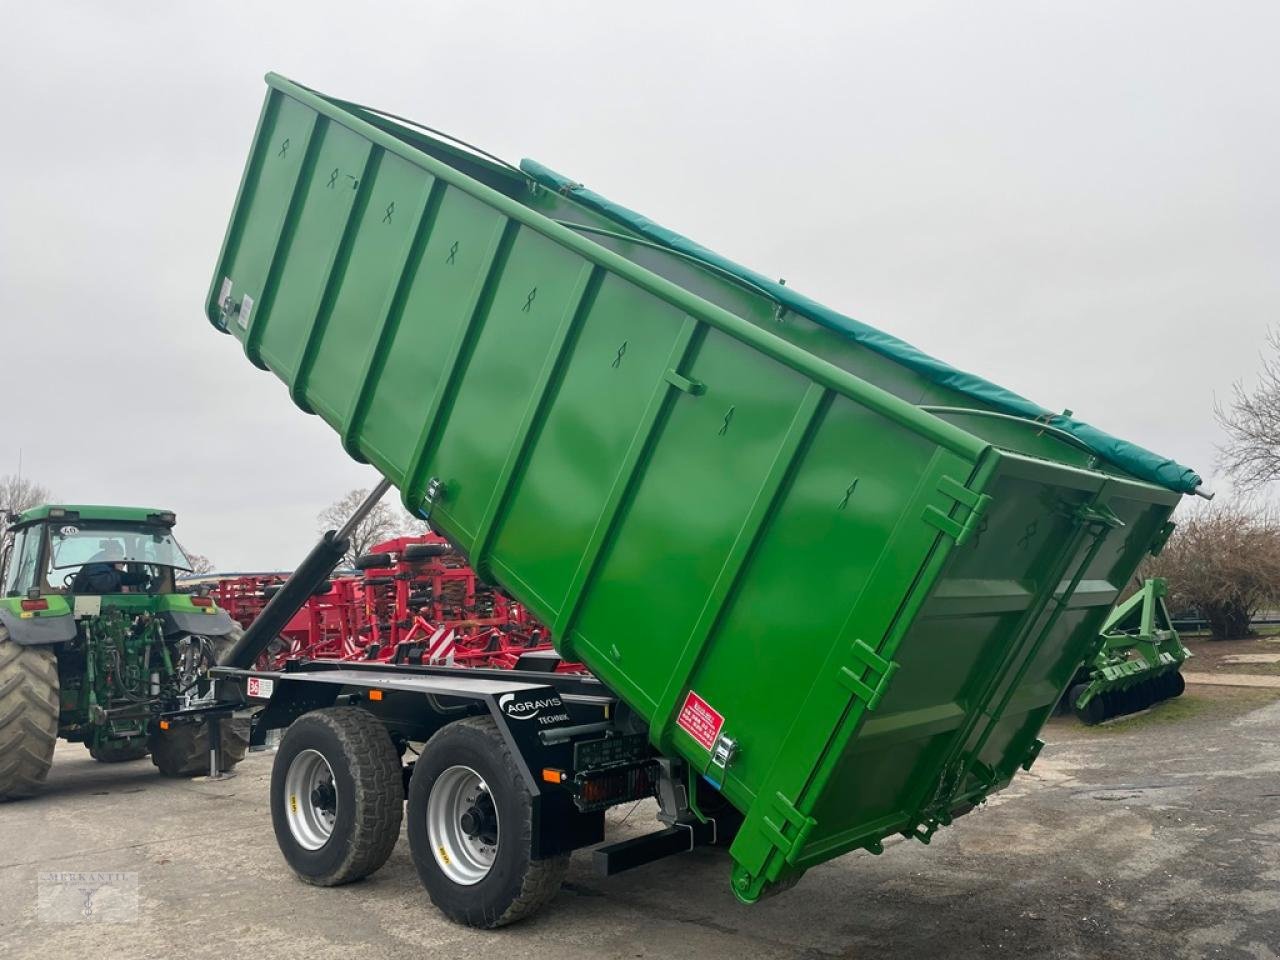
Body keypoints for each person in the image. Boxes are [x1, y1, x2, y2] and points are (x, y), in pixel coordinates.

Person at [71, 541, 146, 594]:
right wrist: (118, 570)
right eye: (119, 556)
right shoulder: (95, 566)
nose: (121, 560)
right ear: (109, 554)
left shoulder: (104, 566)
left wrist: (146, 577)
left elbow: (123, 578)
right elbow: (104, 585)